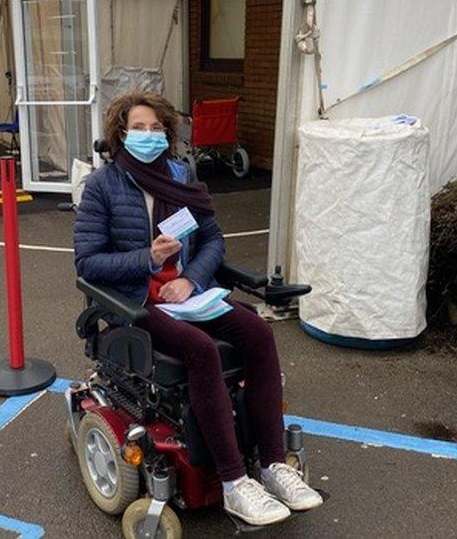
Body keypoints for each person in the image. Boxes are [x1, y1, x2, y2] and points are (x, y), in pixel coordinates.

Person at [73, 92, 323, 527]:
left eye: (156, 129)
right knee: (201, 350)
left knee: (259, 334)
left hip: (187, 294)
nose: (148, 136)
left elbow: (211, 241)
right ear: (120, 133)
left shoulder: (179, 176)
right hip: (134, 302)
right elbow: (87, 263)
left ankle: (273, 466)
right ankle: (233, 483)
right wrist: (147, 260)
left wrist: (192, 279)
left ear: (168, 134)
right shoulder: (103, 186)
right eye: (139, 128)